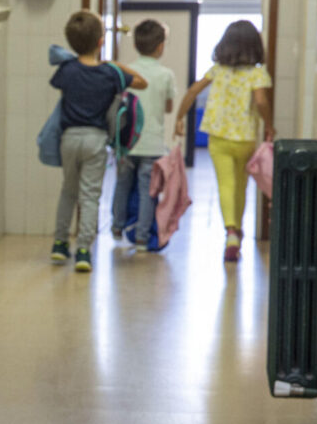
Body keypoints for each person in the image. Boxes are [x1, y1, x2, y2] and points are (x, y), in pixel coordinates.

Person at [50, 10, 148, 273]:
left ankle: (59, 244)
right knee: (90, 196)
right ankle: (83, 250)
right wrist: (114, 64)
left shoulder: (67, 70)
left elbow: (61, 82)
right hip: (95, 140)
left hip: (69, 138)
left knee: (68, 191)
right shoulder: (109, 74)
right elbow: (142, 82)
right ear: (100, 41)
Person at [174, 19, 274, 262]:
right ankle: (237, 231)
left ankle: (230, 231)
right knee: (241, 185)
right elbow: (260, 101)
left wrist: (179, 117)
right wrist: (269, 125)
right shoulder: (257, 73)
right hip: (244, 138)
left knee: (226, 185)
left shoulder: (217, 70)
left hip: (218, 137)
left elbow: (192, 91)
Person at [112, 19, 176, 252]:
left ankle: (117, 227)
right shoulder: (166, 74)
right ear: (160, 46)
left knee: (121, 185)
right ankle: (141, 238)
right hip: (152, 144)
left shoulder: (126, 71)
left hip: (127, 142)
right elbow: (168, 107)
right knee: (147, 191)